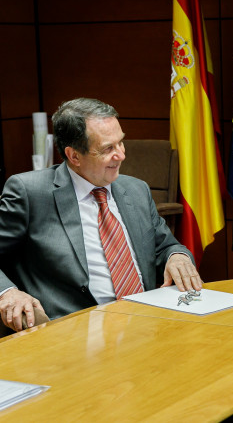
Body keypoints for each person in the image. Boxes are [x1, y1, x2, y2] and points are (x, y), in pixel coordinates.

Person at [0, 98, 203, 331]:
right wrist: (7, 293)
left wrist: (176, 256)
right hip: (72, 331)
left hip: (148, 323)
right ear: (74, 156)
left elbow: (164, 246)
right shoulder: (31, 193)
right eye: (108, 148)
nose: (121, 155)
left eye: (121, 143)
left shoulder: (136, 189)